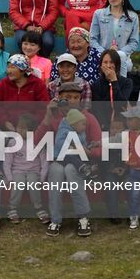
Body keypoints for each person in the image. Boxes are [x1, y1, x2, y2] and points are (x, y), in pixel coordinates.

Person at [41, 81, 99, 237]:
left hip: (80, 160)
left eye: (76, 97)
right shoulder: (54, 117)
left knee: (71, 170)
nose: (72, 101)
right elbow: (36, 141)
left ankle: (83, 217)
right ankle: (56, 219)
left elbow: (99, 147)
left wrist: (86, 151)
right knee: (57, 171)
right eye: (67, 97)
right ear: (59, 98)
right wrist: (48, 115)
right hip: (58, 159)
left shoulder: (87, 118)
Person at [90, 0, 140, 77]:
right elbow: (92, 39)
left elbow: (134, 42)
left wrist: (118, 53)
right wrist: (106, 53)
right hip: (101, 57)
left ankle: (120, 88)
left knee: (122, 58)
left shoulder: (133, 17)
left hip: (123, 58)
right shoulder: (98, 14)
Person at [0, 55, 50, 129]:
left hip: (32, 129)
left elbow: (43, 108)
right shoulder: (3, 84)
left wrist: (29, 125)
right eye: (8, 67)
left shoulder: (38, 84)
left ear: (23, 69)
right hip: (6, 129)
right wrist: (5, 123)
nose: (9, 71)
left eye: (13, 67)